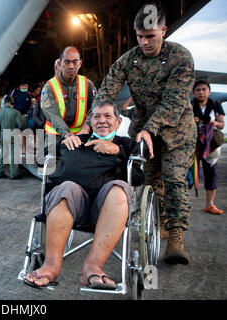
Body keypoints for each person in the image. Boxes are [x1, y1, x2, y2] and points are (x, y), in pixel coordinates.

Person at [91, 4, 196, 264]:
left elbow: (174, 102)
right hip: (143, 132)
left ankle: (175, 237)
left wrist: (150, 128)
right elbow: (106, 91)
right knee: (147, 182)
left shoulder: (181, 58)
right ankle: (157, 224)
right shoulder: (129, 60)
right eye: (139, 36)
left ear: (163, 30)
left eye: (150, 36)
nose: (144, 42)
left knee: (173, 179)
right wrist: (94, 120)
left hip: (176, 132)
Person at [23, 101, 144, 290]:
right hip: (71, 203)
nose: (102, 121)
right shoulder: (79, 139)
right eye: (96, 117)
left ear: (118, 122)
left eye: (107, 116)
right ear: (91, 122)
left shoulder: (126, 145)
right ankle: (50, 267)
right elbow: (43, 156)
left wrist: (118, 152)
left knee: (119, 188)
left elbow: (137, 178)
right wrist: (63, 140)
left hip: (107, 209)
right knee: (67, 187)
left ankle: (92, 267)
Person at [40, 46, 96, 149]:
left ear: (80, 63)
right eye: (66, 62)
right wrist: (67, 134)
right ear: (60, 63)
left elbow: (95, 108)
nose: (71, 66)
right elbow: (53, 116)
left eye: (75, 62)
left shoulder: (87, 85)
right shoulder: (49, 87)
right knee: (52, 164)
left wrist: (87, 126)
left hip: (81, 137)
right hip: (55, 138)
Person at [192, 79, 225, 214]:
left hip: (210, 145)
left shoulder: (216, 105)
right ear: (193, 93)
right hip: (193, 144)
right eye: (198, 90)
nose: (201, 92)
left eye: (204, 89)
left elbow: (221, 124)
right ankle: (184, 205)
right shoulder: (189, 106)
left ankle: (210, 204)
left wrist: (213, 123)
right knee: (189, 175)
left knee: (211, 174)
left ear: (209, 91)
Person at [0, 96, 26, 179]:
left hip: (3, 134)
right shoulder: (15, 112)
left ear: (5, 103)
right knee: (13, 154)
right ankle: (14, 174)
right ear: (12, 103)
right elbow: (21, 125)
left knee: (3, 154)